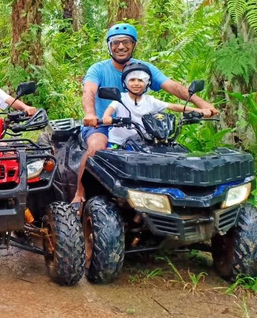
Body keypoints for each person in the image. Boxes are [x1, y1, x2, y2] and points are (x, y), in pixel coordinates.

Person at [74, 23, 218, 205]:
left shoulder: (144, 68)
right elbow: (89, 91)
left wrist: (202, 104)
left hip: (139, 127)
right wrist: (90, 114)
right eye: (115, 42)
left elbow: (172, 87)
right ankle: (79, 193)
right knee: (96, 147)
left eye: (126, 42)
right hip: (104, 125)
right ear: (109, 46)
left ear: (134, 45)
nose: (121, 47)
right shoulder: (98, 69)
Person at [102, 63, 212, 146]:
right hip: (119, 140)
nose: (136, 83)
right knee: (109, 160)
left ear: (147, 83)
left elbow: (172, 106)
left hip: (145, 141)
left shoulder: (150, 100)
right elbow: (111, 108)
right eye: (132, 80)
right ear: (125, 83)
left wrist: (199, 110)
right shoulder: (121, 97)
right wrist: (107, 117)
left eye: (140, 80)